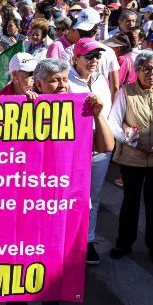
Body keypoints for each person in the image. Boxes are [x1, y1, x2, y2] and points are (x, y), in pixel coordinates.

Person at [5, 58, 113, 305]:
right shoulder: (24, 108)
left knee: (55, 255)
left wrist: (98, 114)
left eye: (65, 79)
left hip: (63, 201)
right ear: (38, 84)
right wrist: (23, 109)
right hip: (26, 201)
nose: (62, 85)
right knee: (21, 255)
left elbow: (106, 146)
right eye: (54, 80)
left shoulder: (80, 109)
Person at [108, 51, 153, 266]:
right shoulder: (125, 93)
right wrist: (135, 144)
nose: (152, 73)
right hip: (132, 158)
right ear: (137, 71)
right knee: (130, 201)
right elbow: (114, 123)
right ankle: (124, 242)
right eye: (146, 68)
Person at [67, 39, 113, 265]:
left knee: (92, 197)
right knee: (71, 195)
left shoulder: (102, 80)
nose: (94, 60)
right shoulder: (65, 81)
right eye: (89, 56)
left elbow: (109, 112)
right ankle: (67, 240)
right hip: (74, 149)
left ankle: (88, 240)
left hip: (99, 149)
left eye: (97, 56)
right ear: (76, 59)